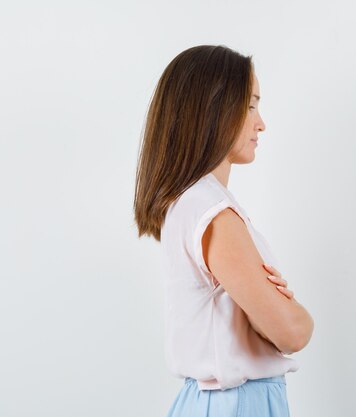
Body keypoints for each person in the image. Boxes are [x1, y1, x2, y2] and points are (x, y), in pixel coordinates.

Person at [133, 45, 314, 417]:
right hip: (237, 404)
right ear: (212, 110)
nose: (260, 123)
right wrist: (294, 312)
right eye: (250, 105)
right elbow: (293, 333)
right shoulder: (213, 213)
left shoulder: (192, 204)